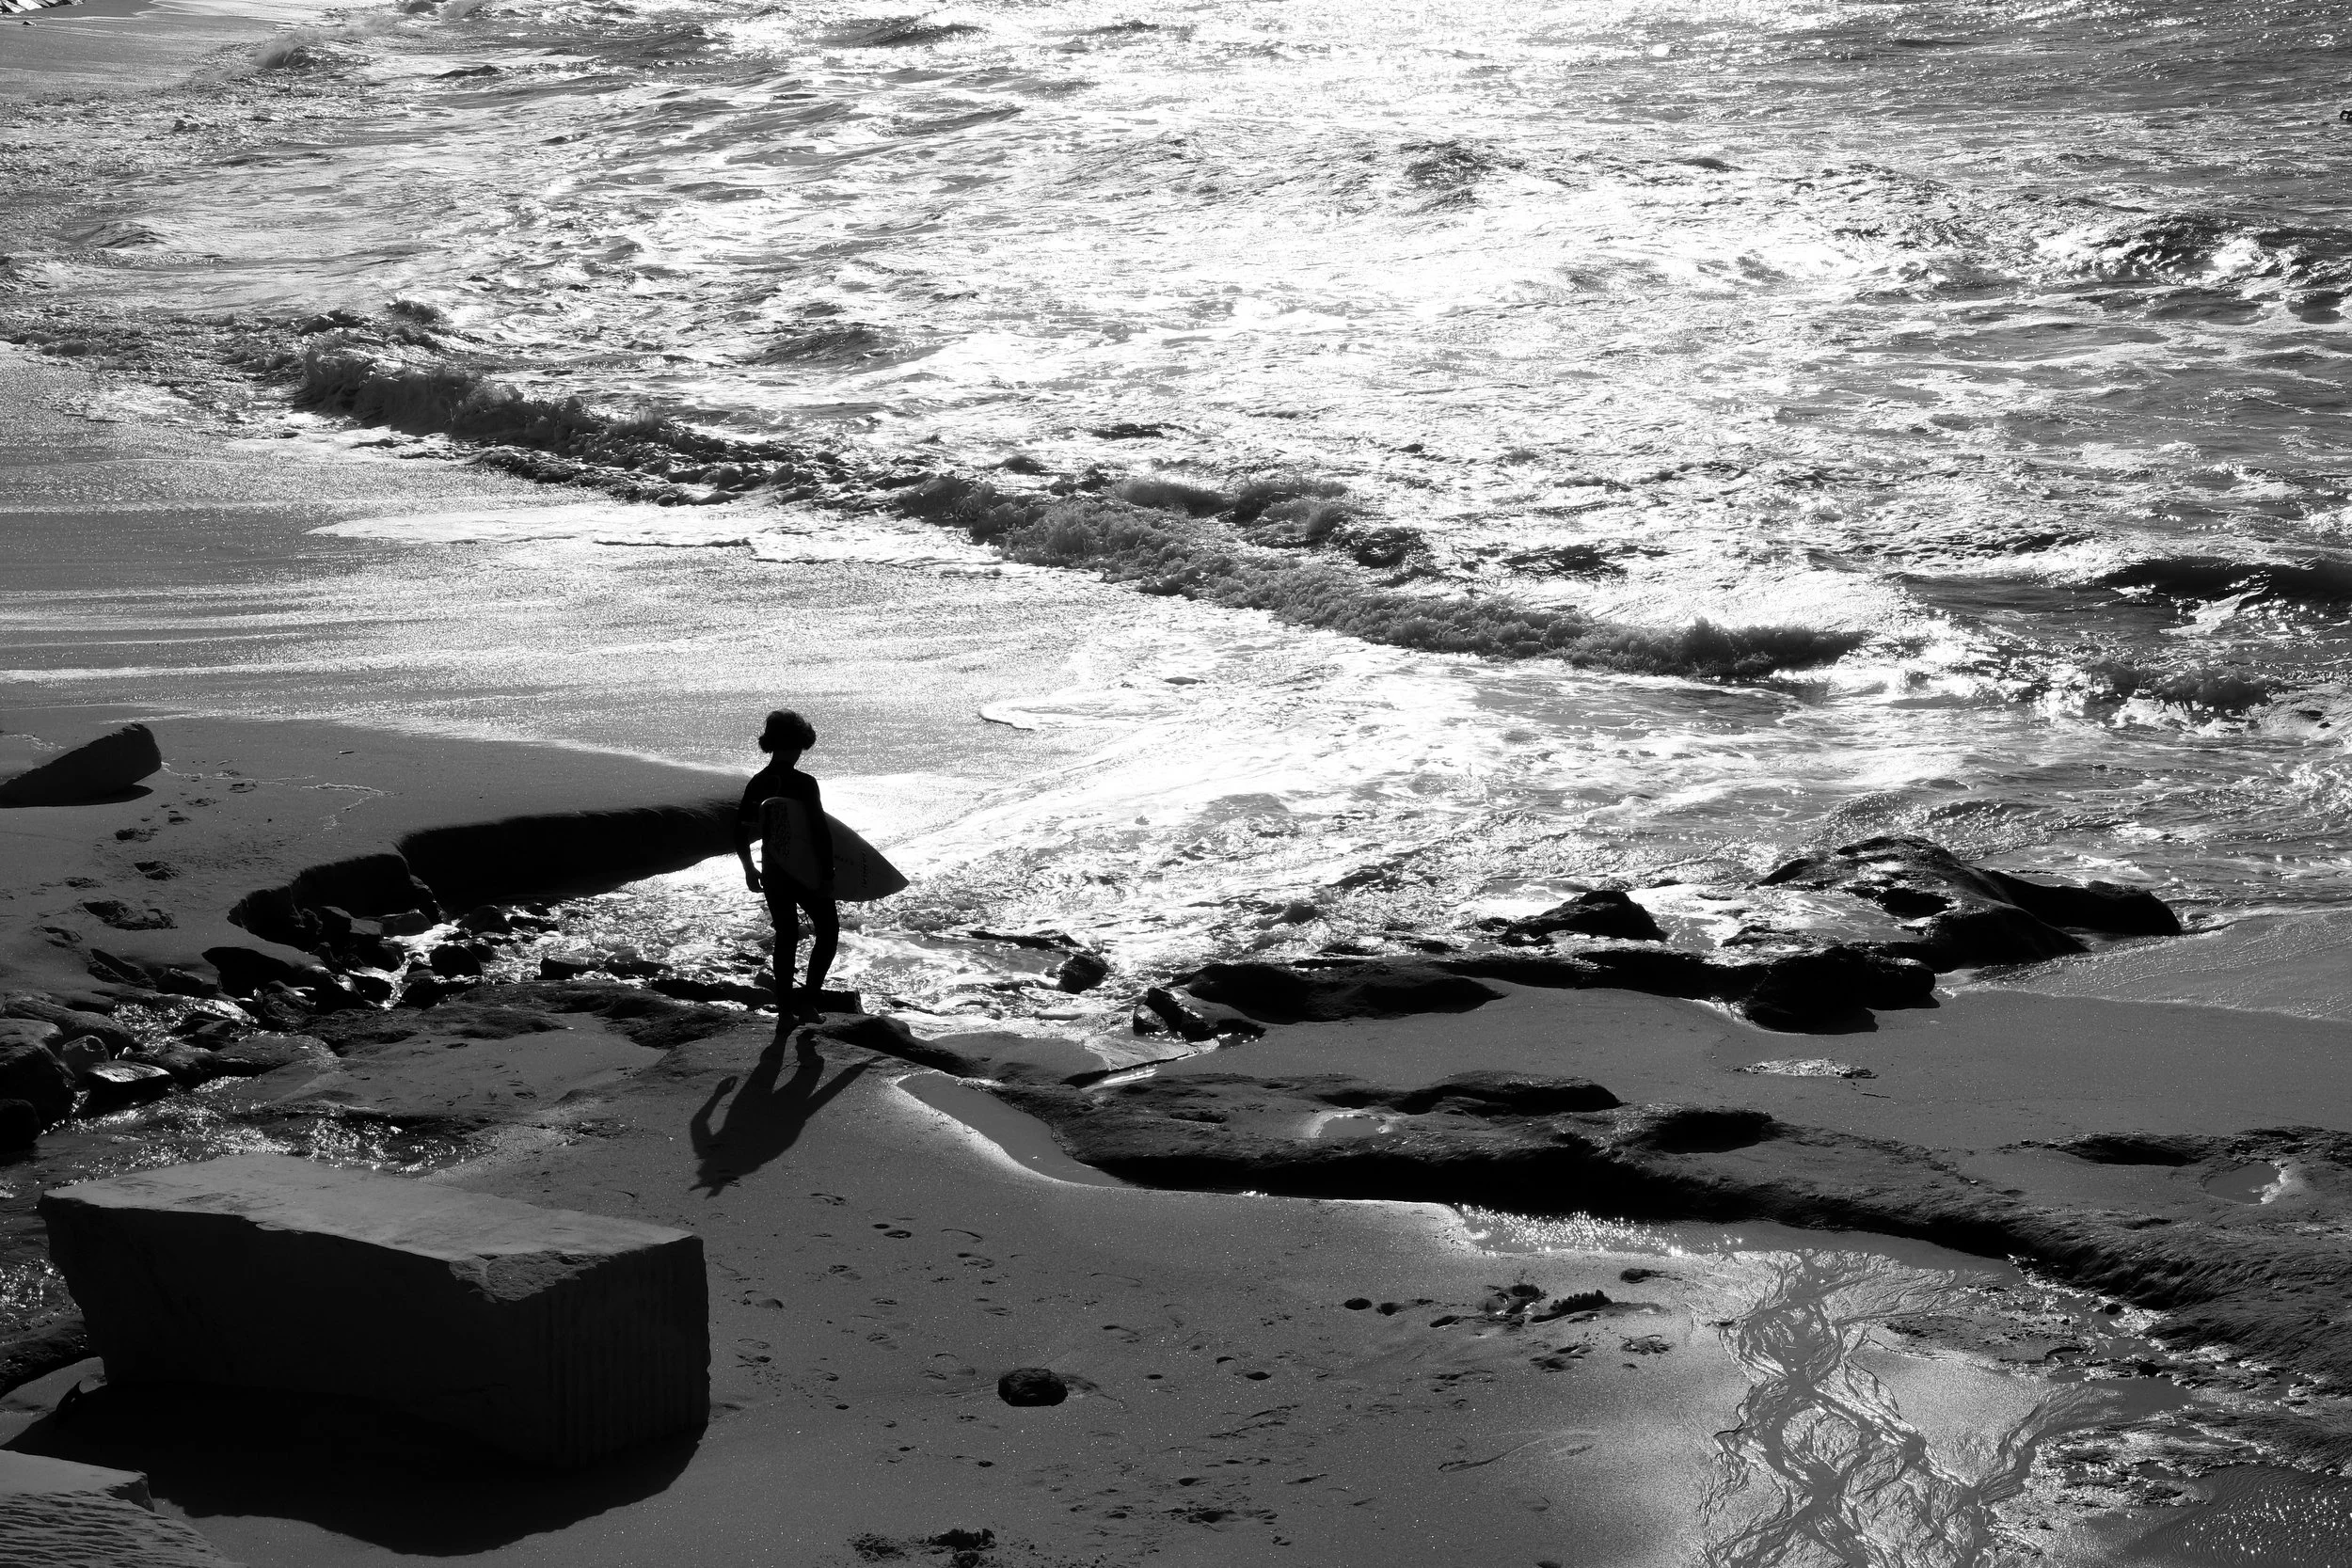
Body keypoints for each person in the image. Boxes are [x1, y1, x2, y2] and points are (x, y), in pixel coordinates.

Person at [734, 709, 838, 1017]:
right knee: (828, 930)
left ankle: (784, 1012)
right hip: (805, 870)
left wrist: (749, 869)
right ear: (797, 743)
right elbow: (820, 833)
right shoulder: (804, 783)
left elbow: (739, 831)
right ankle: (808, 1002)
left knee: (787, 935)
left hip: (774, 871)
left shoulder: (758, 783)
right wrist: (828, 874)